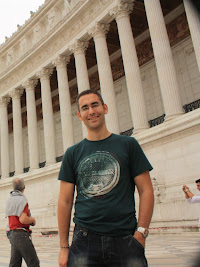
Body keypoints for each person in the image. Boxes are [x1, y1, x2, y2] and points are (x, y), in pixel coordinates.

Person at [57, 89, 154, 267]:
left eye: (95, 105)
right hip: (84, 239)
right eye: (85, 108)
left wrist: (141, 232)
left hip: (125, 237)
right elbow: (64, 200)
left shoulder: (128, 144)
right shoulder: (72, 153)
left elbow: (146, 189)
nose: (91, 111)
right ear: (79, 115)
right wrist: (64, 246)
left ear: (105, 108)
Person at [5, 178, 40, 267]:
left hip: (12, 234)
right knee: (33, 263)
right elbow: (23, 219)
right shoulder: (22, 200)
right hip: (21, 235)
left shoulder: (9, 200)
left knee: (14, 264)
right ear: (24, 187)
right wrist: (32, 220)